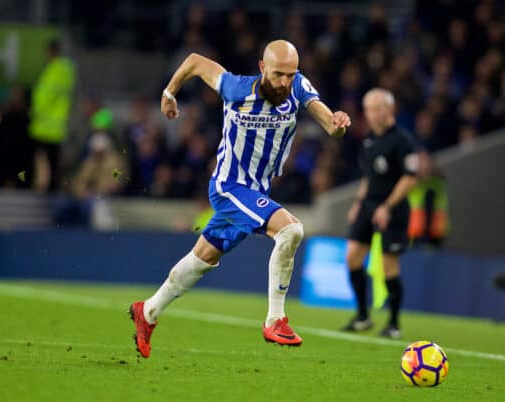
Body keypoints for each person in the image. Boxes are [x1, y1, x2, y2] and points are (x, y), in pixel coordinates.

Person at [129, 40, 351, 357]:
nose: (285, 82)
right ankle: (276, 319)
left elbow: (331, 126)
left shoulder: (298, 87)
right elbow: (194, 60)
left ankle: (147, 311)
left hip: (256, 191)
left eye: (290, 75)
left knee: (202, 259)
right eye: (278, 75)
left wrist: (339, 123)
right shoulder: (235, 88)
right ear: (262, 68)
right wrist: (169, 93)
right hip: (229, 187)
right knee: (291, 231)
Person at [343, 89, 418, 338]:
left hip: (393, 209)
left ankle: (394, 323)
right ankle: (363, 317)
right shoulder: (370, 139)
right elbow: (369, 176)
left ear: (390, 109)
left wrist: (387, 207)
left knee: (388, 265)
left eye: (377, 109)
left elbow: (410, 178)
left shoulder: (403, 141)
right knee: (352, 256)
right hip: (369, 204)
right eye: (368, 109)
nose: (372, 115)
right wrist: (358, 203)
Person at [28, 39, 75, 192]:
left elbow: (47, 97)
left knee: (47, 162)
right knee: (50, 162)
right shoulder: (59, 70)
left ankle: (46, 188)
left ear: (51, 52)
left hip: (47, 127)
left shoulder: (57, 70)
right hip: (48, 127)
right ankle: (48, 187)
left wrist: (36, 111)